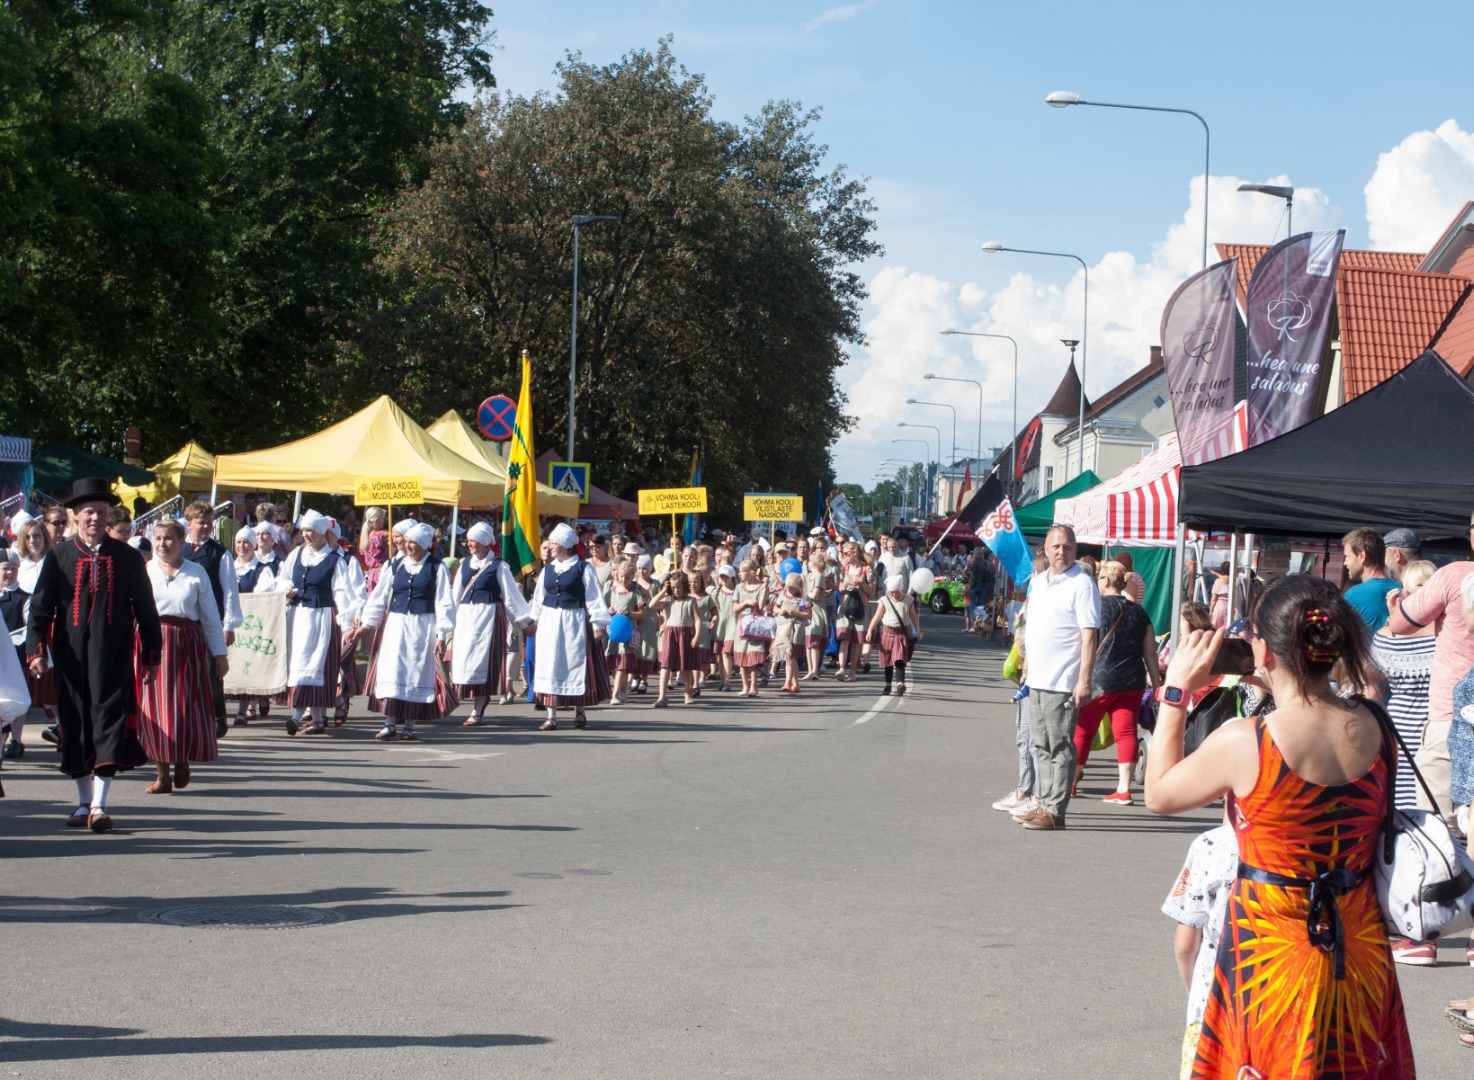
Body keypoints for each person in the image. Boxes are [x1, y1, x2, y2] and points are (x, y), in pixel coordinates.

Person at [1144, 576, 1414, 1078]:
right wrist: (1280, 678)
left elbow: (1159, 793)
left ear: (1262, 649)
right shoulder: (1376, 725)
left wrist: (1177, 692)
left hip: (1273, 947)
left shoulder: (1247, 741)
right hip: (1360, 943)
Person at [25, 478, 163, 832]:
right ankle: (82, 803)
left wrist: (151, 655)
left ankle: (99, 805)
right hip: (70, 656)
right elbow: (40, 609)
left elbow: (146, 610)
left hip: (113, 655)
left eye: (101, 512)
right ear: (76, 515)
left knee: (107, 722)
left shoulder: (129, 557)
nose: (95, 518)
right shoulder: (59, 556)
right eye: (88, 512)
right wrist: (36, 650)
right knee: (74, 725)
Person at [1385, 512, 1474, 820]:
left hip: (1451, 718)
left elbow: (1398, 624)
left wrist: (1400, 608)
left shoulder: (1454, 575)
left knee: (1438, 827)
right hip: (1451, 714)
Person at [1015, 525, 1099, 831]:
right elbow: (1033, 626)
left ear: (1075, 549)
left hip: (1063, 680)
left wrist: (1084, 679)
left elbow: (1089, 636)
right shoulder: (1039, 582)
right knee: (1041, 745)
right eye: (1056, 547)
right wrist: (1026, 665)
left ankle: (1055, 810)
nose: (1061, 552)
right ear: (1045, 550)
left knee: (1060, 747)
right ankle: (1043, 801)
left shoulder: (1082, 584)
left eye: (1067, 547)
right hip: (1037, 677)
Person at [138, 520, 227, 794]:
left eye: (169, 538)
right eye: (158, 538)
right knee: (155, 709)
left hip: (187, 643)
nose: (163, 543)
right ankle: (162, 774)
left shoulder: (196, 572)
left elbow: (211, 617)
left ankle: (182, 760)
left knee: (183, 707)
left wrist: (220, 653)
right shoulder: (145, 571)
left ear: (181, 541)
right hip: (151, 643)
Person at [354, 522, 457, 742]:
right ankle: (389, 723)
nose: (408, 546)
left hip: (423, 626)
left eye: (413, 542)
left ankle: (409, 726)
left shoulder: (436, 568)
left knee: (415, 673)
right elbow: (379, 598)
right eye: (407, 541)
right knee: (393, 671)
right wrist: (367, 625)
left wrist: (441, 635)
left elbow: (444, 603)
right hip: (396, 626)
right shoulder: (394, 565)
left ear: (424, 545)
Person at [1071, 561, 1161, 805]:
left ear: (1106, 582)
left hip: (1099, 679)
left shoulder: (1095, 607)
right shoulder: (1139, 612)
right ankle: (1123, 789)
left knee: (1083, 730)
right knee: (1126, 732)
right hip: (1132, 681)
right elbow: (1150, 652)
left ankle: (1071, 782)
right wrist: (1156, 683)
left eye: (1100, 579)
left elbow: (1082, 643)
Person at [1162, 821, 1239, 1080]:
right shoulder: (1319, 842)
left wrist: (1193, 990)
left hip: (1213, 1000)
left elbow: (1185, 944)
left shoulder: (1213, 844)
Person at [277, 510, 361, 737]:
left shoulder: (335, 560)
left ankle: (298, 716)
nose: (306, 535)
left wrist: (346, 625)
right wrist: (286, 589)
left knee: (315, 668)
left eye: (310, 531)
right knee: (300, 665)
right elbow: (282, 577)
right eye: (304, 530)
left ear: (323, 533)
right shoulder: (296, 555)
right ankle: (316, 720)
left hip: (322, 618)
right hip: (298, 616)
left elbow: (343, 593)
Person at [529, 522, 611, 731]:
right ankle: (551, 716)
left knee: (575, 663)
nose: (550, 547)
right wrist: (532, 621)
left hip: (573, 621)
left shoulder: (583, 567)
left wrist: (598, 622)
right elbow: (539, 598)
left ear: (565, 545)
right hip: (549, 622)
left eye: (554, 544)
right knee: (549, 664)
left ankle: (580, 710)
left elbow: (593, 596)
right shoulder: (548, 568)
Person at [1371, 559, 1438, 812]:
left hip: (1398, 720)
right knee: (1432, 796)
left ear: (1405, 593)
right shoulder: (1444, 633)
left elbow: (1373, 677)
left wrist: (1394, 617)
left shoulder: (1387, 635)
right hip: (1433, 720)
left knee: (1399, 800)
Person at [451, 522, 531, 726]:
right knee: (463, 661)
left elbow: (511, 596)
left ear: (485, 542)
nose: (469, 544)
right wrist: (447, 622)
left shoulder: (499, 566)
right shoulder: (465, 564)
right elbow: (455, 595)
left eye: (473, 541)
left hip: (488, 618)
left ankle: (479, 707)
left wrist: (524, 623)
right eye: (468, 540)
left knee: (484, 663)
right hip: (466, 619)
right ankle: (456, 701)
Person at [179, 500, 240, 740]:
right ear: (189, 523)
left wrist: (229, 624)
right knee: (184, 671)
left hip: (209, 620)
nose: (204, 527)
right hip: (185, 619)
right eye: (200, 523)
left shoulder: (219, 553)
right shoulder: (179, 550)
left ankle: (218, 717)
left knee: (211, 669)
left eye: (208, 523)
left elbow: (229, 590)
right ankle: (189, 717)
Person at [650, 570, 700, 707]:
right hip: (671, 633)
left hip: (686, 633)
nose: (676, 590)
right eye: (673, 588)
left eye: (679, 587)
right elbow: (652, 605)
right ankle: (662, 696)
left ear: (684, 586)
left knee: (686, 666)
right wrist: (664, 591)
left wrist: (696, 635)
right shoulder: (668, 601)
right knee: (665, 665)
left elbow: (697, 619)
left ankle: (688, 691)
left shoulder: (691, 601)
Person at [866, 572, 918, 697]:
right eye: (892, 591)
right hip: (887, 632)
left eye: (897, 591)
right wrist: (869, 630)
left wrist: (918, 630)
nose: (894, 594)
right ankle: (888, 685)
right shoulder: (884, 600)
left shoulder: (908, 600)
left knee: (900, 659)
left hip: (901, 632)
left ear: (900, 589)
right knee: (887, 660)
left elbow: (914, 616)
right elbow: (877, 617)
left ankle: (900, 683)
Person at [1342, 527, 1399, 632]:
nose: (1345, 563)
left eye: (1347, 557)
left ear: (1362, 556)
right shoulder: (1402, 591)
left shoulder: (1353, 596)